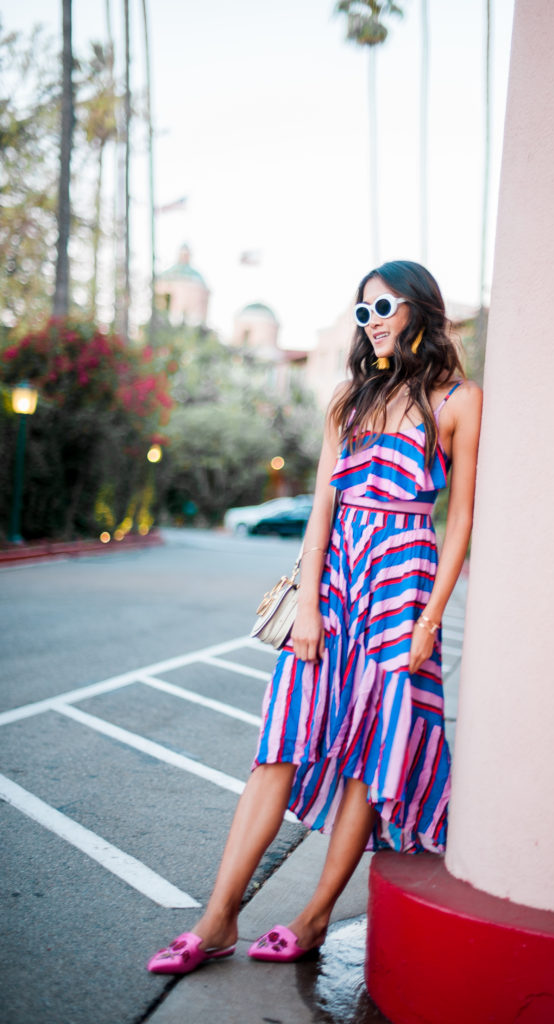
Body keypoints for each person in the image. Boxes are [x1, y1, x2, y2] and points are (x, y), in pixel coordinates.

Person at [147, 259, 483, 974]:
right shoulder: (346, 399)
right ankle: (216, 920)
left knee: (372, 755)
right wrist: (306, 600)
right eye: (363, 312)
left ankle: (313, 916)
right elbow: (323, 507)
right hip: (334, 583)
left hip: (402, 580)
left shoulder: (457, 400)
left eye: (384, 307)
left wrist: (429, 619)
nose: (374, 322)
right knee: (276, 747)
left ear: (420, 308)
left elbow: (459, 524)